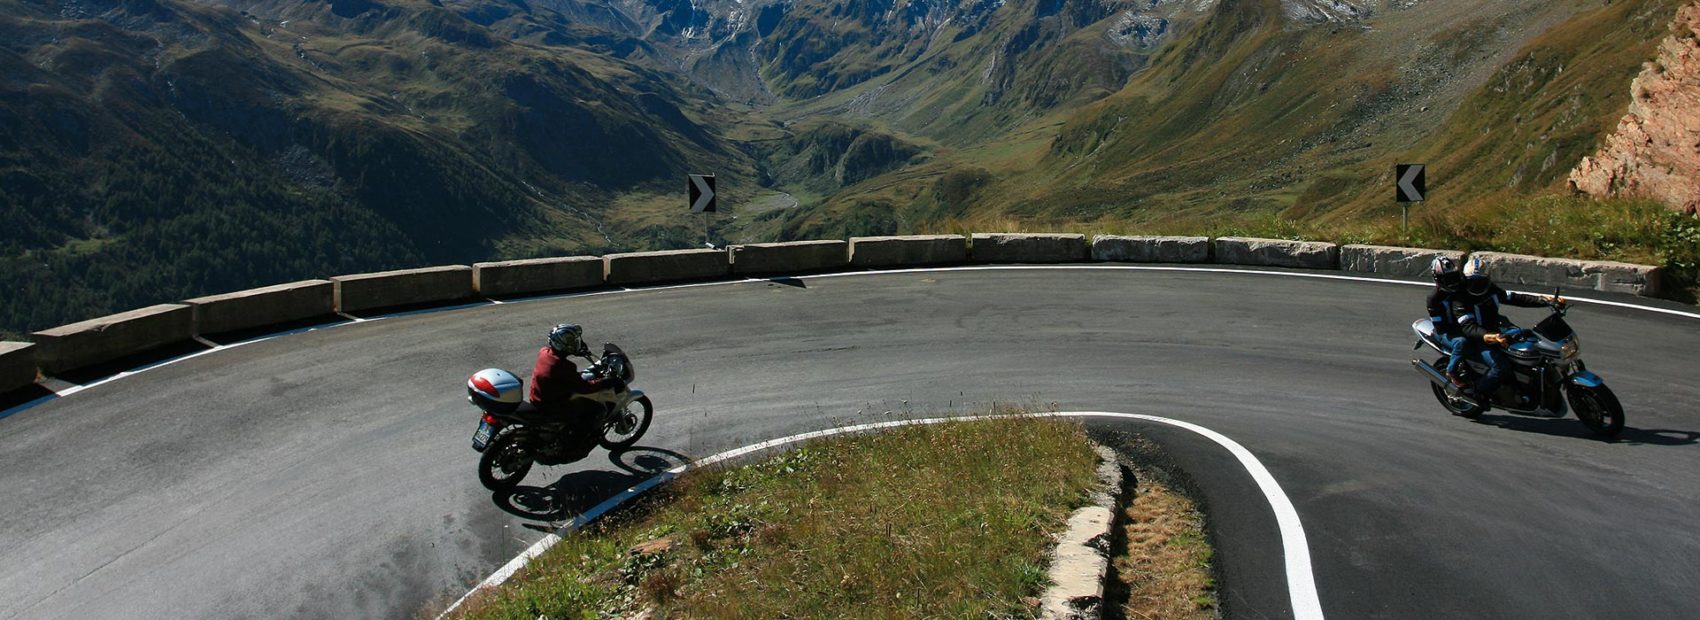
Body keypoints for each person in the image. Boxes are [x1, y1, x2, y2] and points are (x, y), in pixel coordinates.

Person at [1445, 257, 1564, 401]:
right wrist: (1488, 336)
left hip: (1497, 331)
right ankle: (1476, 394)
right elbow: (1468, 327)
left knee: (1531, 341)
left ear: (1487, 279)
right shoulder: (1460, 299)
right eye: (1472, 281)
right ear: (1465, 279)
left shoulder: (1492, 290)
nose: (1476, 285)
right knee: (1501, 367)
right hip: (1477, 339)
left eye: (1480, 281)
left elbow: (1516, 298)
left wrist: (1546, 301)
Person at [529, 323, 611, 458]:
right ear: (562, 345)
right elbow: (585, 388)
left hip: (538, 396)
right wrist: (605, 383)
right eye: (571, 342)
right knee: (596, 410)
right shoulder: (564, 366)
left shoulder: (544, 352)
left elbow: (567, 378)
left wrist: (579, 350)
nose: (575, 344)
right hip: (552, 405)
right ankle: (574, 447)